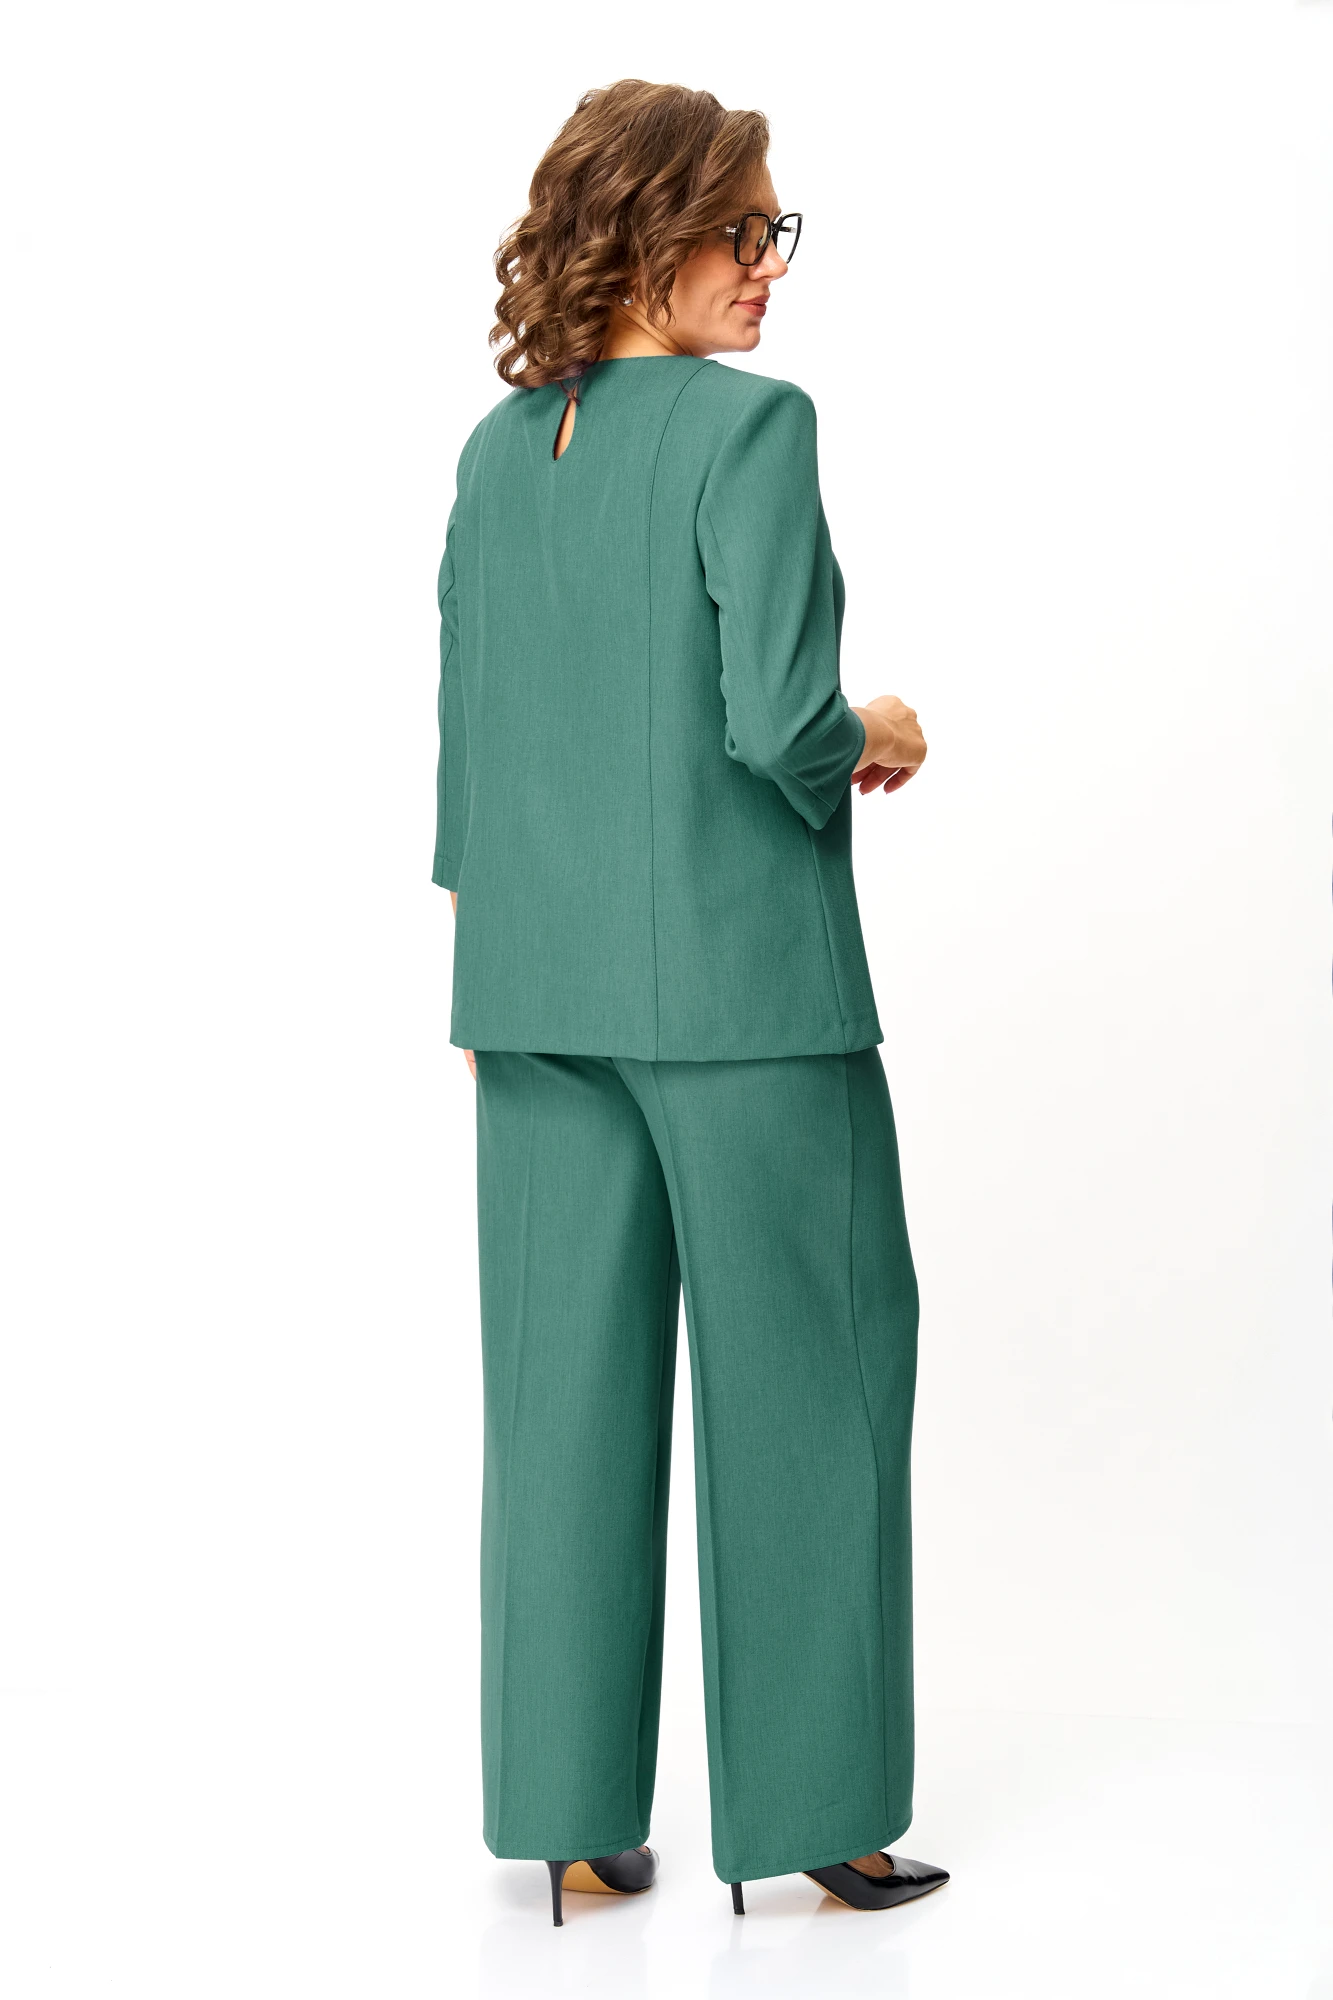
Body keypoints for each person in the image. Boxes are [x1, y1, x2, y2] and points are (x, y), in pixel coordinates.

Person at [433, 78, 948, 1926]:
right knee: (816, 1383)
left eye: (770, 232)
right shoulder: (753, 429)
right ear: (647, 235)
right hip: (746, 999)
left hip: (534, 990)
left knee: (556, 1403)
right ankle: (819, 1814)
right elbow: (780, 723)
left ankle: (568, 1815)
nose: (767, 266)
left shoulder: (500, 453)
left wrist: (491, 953)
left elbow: (468, 745)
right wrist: (876, 728)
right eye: (743, 231)